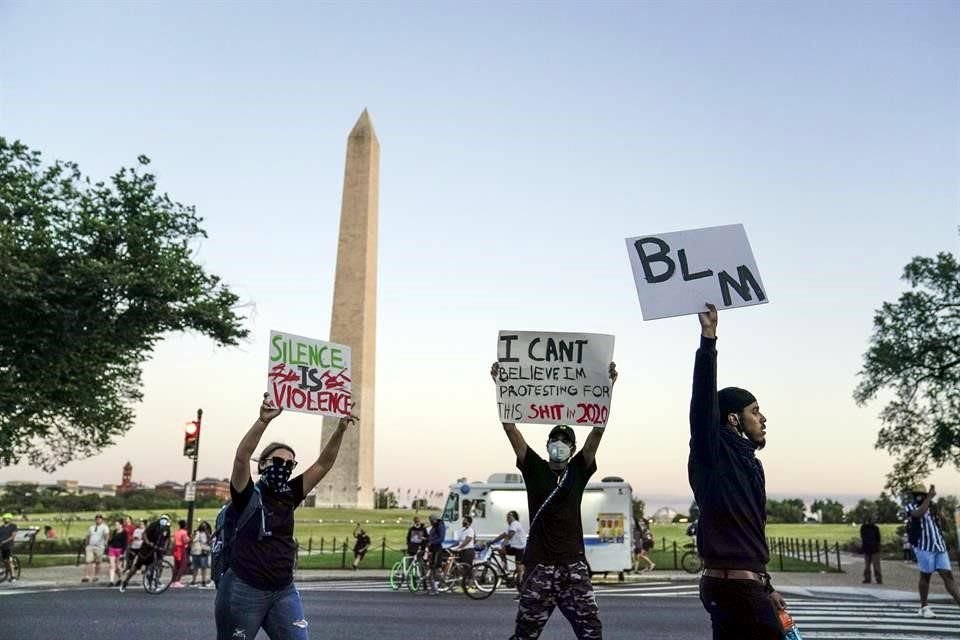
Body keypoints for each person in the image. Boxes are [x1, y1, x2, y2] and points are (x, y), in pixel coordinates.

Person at [490, 359, 617, 640]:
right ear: (548, 444)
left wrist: (607, 389)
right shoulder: (534, 468)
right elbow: (511, 428)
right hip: (540, 568)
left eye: (564, 440)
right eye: (554, 438)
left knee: (591, 632)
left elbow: (597, 430)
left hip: (573, 567)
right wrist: (502, 387)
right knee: (525, 634)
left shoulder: (579, 470)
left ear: (571, 449)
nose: (558, 443)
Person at [215, 393, 356, 640]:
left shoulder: (290, 493)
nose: (284, 466)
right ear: (263, 465)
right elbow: (241, 458)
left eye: (290, 464)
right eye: (278, 460)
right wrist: (263, 421)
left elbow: (323, 465)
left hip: (283, 589)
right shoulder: (246, 494)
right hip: (244, 588)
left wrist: (340, 428)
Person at [688, 304, 786, 639]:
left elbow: (750, 535)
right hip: (733, 590)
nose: (763, 418)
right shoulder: (712, 453)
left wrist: (767, 585)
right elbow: (702, 403)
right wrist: (708, 339)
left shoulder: (752, 465)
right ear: (733, 419)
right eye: (755, 411)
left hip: (749, 586)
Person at [906, 483, 960, 618]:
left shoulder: (932, 506)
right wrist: (929, 498)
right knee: (926, 576)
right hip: (924, 546)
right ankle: (924, 607)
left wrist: (941, 515)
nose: (919, 497)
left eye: (922, 494)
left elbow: (944, 525)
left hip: (939, 545)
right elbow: (918, 514)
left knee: (948, 576)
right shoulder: (911, 506)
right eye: (916, 494)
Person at [118, 514, 172, 592]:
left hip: (158, 549)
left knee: (156, 566)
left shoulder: (167, 528)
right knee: (137, 566)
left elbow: (167, 538)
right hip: (146, 549)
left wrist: (166, 548)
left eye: (166, 520)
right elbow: (144, 534)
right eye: (162, 519)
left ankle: (153, 583)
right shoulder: (154, 525)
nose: (164, 521)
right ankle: (125, 581)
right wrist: (148, 542)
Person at [488, 511, 527, 584]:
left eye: (509, 517)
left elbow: (510, 535)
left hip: (520, 548)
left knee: (519, 569)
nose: (507, 519)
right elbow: (503, 535)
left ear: (514, 517)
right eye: (507, 517)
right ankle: (505, 569)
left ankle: (521, 583)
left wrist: (502, 545)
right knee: (500, 550)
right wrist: (493, 541)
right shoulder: (511, 526)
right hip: (514, 547)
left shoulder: (515, 524)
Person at [83, 513, 110, 583]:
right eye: (97, 519)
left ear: (102, 520)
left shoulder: (104, 527)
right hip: (90, 546)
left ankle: (96, 576)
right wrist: (86, 544)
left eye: (99, 519)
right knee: (88, 561)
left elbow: (106, 535)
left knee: (98, 562)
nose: (98, 520)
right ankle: (87, 576)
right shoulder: (91, 527)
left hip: (99, 547)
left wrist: (106, 542)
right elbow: (88, 536)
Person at [426, 513, 446, 595]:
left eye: (431, 521)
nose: (430, 522)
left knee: (435, 568)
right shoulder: (435, 526)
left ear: (434, 520)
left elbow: (441, 538)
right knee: (432, 567)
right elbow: (432, 536)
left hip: (437, 548)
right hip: (433, 548)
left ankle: (436, 588)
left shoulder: (440, 526)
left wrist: (431, 542)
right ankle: (434, 587)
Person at [859, 514, 882, 584]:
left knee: (870, 565)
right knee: (873, 565)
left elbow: (862, 537)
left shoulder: (864, 528)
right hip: (872, 548)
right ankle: (877, 578)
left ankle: (869, 578)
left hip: (870, 548)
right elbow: (878, 538)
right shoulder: (874, 528)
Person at [190, 521, 212, 587]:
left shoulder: (198, 533)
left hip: (198, 551)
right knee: (202, 568)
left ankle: (195, 581)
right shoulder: (202, 533)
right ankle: (202, 581)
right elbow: (205, 542)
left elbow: (193, 540)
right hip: (201, 552)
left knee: (197, 567)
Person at [107, 518, 128, 586]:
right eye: (115, 525)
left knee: (118, 567)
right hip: (112, 549)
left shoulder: (124, 532)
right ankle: (111, 581)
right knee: (112, 566)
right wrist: (108, 542)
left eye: (117, 524)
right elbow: (111, 540)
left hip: (120, 550)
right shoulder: (114, 531)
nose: (116, 526)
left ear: (121, 525)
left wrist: (123, 553)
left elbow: (125, 544)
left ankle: (120, 579)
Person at [170, 519, 190, 588]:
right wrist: (190, 539)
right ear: (185, 526)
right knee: (183, 565)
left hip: (175, 549)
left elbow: (173, 541)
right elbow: (185, 541)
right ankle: (177, 581)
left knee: (176, 566)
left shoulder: (176, 532)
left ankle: (173, 581)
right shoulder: (184, 532)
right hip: (181, 549)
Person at [1, 512, 17, 583]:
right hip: (2, 545)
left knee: (9, 561)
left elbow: (13, 536)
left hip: (9, 545)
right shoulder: (1, 527)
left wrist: (4, 541)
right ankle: (7, 571)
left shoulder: (13, 526)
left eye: (7, 519)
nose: (5, 520)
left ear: (10, 519)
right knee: (5, 561)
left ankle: (13, 576)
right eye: (4, 519)